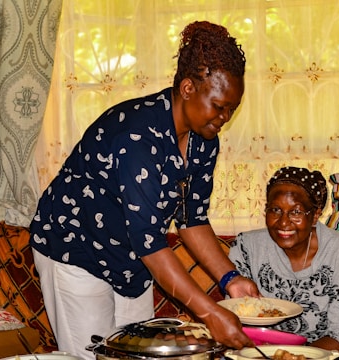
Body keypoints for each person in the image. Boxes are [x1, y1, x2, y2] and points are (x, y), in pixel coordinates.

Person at [29, 21, 260, 359]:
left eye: (232, 108)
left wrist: (230, 279)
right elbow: (150, 241)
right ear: (187, 89)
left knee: (142, 355)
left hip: (131, 261)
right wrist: (211, 313)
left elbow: (192, 219)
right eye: (219, 105)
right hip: (76, 250)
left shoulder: (204, 138)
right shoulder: (137, 137)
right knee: (91, 356)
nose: (225, 116)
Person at [228, 166, 339, 359]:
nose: (283, 222)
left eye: (295, 212)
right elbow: (236, 318)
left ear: (315, 216)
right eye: (275, 210)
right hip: (258, 353)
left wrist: (295, 357)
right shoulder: (246, 247)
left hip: (327, 354)